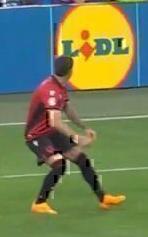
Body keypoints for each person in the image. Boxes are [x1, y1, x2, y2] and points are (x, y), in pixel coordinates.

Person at [25, 55, 126, 215]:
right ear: (70, 71)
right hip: (37, 135)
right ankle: (39, 203)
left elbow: (67, 109)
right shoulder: (50, 91)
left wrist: (84, 127)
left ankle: (103, 198)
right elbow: (55, 122)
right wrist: (77, 138)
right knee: (59, 165)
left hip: (51, 132)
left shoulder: (59, 86)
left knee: (81, 158)